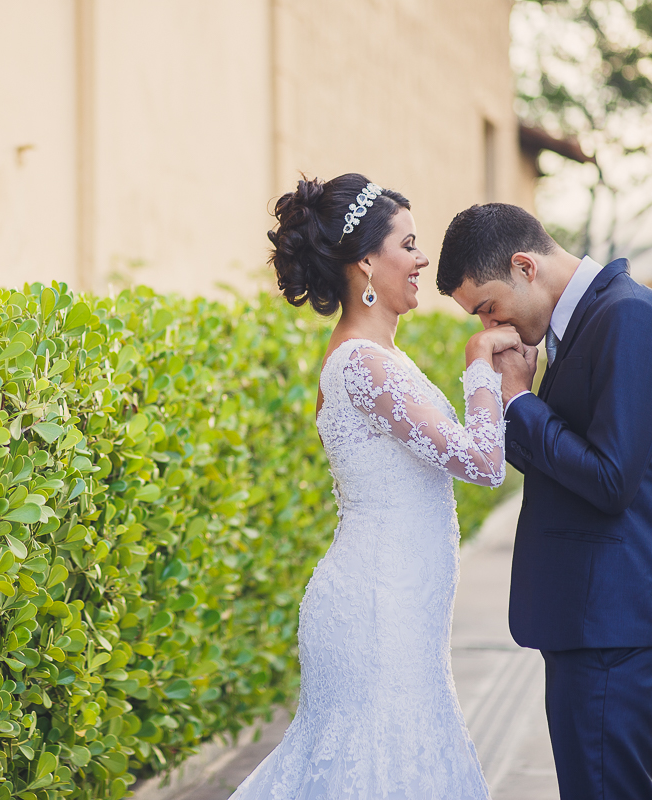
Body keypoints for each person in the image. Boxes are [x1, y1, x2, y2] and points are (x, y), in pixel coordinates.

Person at [228, 174, 522, 800]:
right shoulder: (362, 364)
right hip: (376, 613)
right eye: (408, 245)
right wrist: (479, 366)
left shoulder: (383, 358)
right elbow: (482, 463)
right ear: (365, 262)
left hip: (402, 612)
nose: (422, 261)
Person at [437, 203, 652, 800]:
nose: (489, 325)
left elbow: (611, 480)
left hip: (609, 632)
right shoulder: (580, 322)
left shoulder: (625, 315)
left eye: (487, 306)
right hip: (588, 625)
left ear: (525, 267)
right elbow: (566, 470)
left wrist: (518, 401)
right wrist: (519, 404)